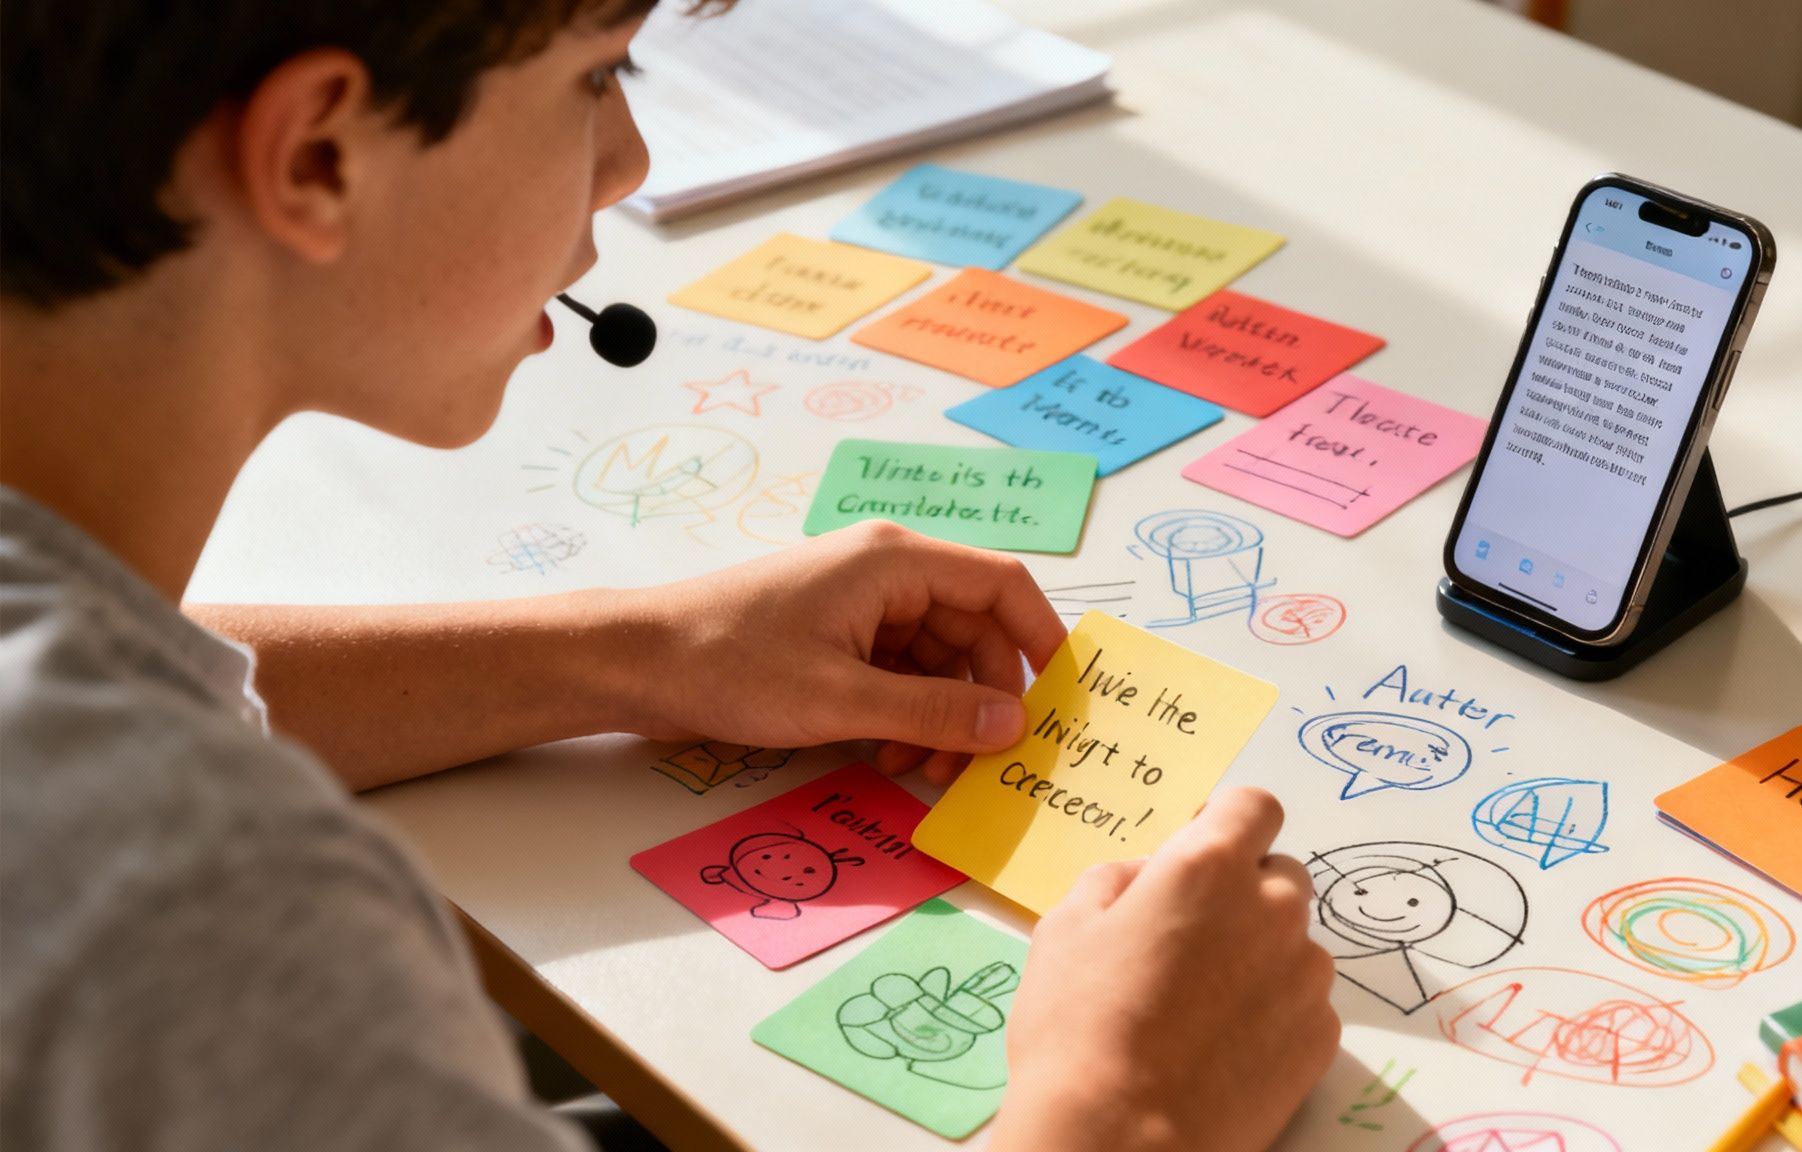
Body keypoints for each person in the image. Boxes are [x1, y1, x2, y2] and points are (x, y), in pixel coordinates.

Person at [0, 2, 1339, 1150]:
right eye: (599, 75)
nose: (627, 159)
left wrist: (641, 651)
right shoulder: (188, 917)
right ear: (317, 155)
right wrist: (1119, 1110)